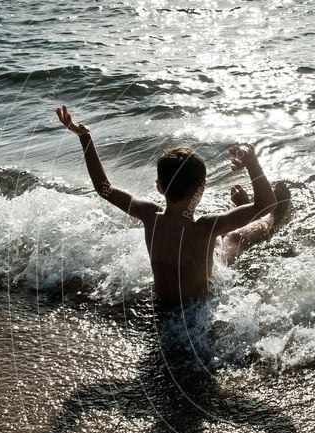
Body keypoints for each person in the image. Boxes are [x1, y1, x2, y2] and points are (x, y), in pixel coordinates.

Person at [55, 105, 290, 305]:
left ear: (159, 187)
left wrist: (85, 137)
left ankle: (242, 209)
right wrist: (252, 164)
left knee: (226, 238)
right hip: (199, 306)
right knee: (234, 239)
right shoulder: (205, 227)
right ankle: (269, 217)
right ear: (202, 188)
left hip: (165, 307)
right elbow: (266, 204)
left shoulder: (149, 214)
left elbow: (103, 188)